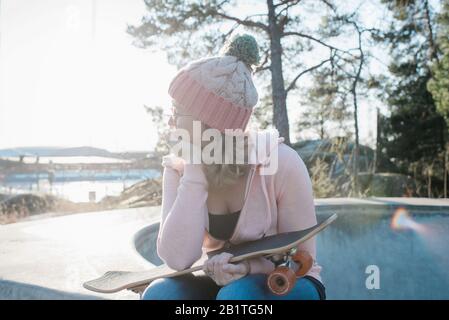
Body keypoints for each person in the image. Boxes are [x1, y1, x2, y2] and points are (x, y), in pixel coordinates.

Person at [142, 33, 325, 300]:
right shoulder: (178, 168)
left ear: (207, 122)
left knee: (236, 298)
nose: (169, 122)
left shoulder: (281, 163)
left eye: (176, 112)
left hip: (289, 282)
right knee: (160, 296)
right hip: (219, 280)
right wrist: (195, 172)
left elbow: (303, 258)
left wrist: (248, 268)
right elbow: (177, 259)